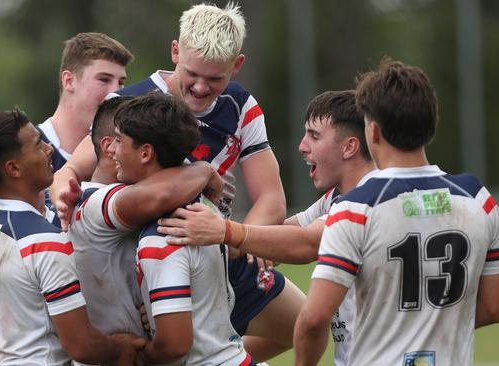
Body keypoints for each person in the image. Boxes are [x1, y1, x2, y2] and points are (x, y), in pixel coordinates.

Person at [50, 3, 303, 361]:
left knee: (303, 323)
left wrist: (237, 240)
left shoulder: (241, 106)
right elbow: (68, 172)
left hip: (212, 247)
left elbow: (271, 199)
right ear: (175, 52)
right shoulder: (126, 104)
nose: (201, 88)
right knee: (166, 345)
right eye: (192, 73)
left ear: (237, 65)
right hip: (145, 258)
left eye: (215, 79)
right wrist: (63, 193)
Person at [0, 33, 133, 365]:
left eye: (122, 82)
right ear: (69, 80)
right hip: (12, 345)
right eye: (103, 79)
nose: (116, 92)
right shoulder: (15, 150)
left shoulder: (117, 155)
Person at [294, 59, 499, 365]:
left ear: (374, 132)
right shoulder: (478, 199)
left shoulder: (355, 208)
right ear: (430, 123)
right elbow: (493, 307)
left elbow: (314, 318)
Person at [156, 90, 377, 365]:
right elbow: (283, 233)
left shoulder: (367, 200)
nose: (302, 146)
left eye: (314, 136)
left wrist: (224, 231)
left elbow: (307, 243)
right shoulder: (340, 196)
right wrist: (227, 244)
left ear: (349, 147)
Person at [67, 94, 224, 365]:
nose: (114, 149)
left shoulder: (166, 232)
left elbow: (174, 344)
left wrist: (139, 353)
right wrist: (205, 170)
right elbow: (156, 196)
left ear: (145, 152)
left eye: (120, 140)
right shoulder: (203, 212)